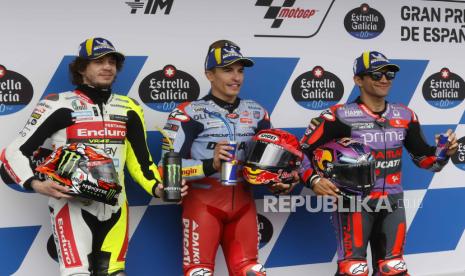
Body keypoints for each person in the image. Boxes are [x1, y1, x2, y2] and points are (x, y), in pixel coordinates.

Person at [0, 37, 187, 276]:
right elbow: (16, 151)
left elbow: (141, 162)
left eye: (111, 61)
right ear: (81, 68)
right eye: (98, 61)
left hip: (116, 206)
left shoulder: (129, 107)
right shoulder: (58, 105)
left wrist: (159, 188)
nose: (107, 67)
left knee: (115, 273)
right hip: (71, 205)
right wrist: (35, 184)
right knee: (77, 273)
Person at [299, 51, 458, 276]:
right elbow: (300, 153)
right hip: (353, 204)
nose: (384, 79)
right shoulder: (339, 116)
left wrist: (444, 153)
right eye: (376, 74)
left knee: (393, 269)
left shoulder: (405, 115)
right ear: (358, 80)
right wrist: (313, 180)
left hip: (393, 202)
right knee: (353, 270)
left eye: (389, 73)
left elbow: (426, 161)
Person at [160, 40, 289, 276]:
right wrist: (211, 164)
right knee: (199, 272)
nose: (236, 77)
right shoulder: (186, 113)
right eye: (227, 70)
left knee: (251, 271)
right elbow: (166, 169)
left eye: (240, 70)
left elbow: (272, 162)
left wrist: (280, 182)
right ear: (209, 74)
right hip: (203, 204)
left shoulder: (258, 112)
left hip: (243, 204)